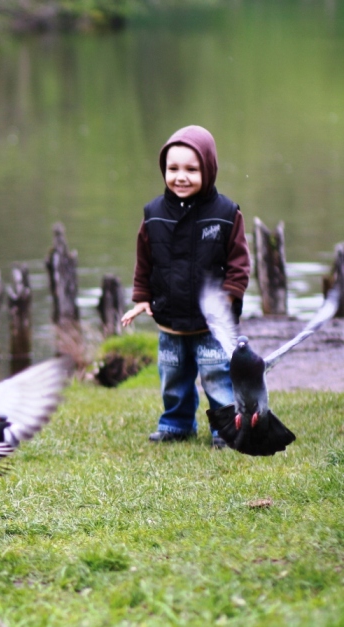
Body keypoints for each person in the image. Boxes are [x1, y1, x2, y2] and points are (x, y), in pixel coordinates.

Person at [121, 125, 250, 448]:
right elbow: (144, 260)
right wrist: (141, 298)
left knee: (216, 374)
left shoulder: (226, 214)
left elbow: (239, 263)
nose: (181, 176)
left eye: (192, 169)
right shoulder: (153, 215)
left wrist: (230, 294)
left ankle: (225, 427)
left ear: (208, 169)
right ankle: (176, 424)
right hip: (170, 316)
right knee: (173, 376)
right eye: (173, 168)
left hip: (212, 322)